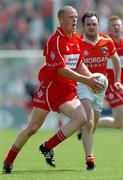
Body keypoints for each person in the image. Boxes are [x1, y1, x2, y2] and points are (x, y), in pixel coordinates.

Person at [3, 6, 103, 174]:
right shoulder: (55, 40)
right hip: (50, 90)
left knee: (82, 118)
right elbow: (61, 70)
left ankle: (47, 146)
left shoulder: (76, 40)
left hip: (67, 91)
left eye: (76, 17)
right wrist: (87, 81)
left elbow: (79, 64)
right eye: (71, 17)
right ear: (61, 20)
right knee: (32, 129)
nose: (75, 19)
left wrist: (92, 77)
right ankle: (8, 160)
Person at [76, 11, 122, 170]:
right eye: (88, 24)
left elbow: (116, 60)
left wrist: (117, 80)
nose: (91, 27)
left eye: (94, 24)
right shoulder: (77, 41)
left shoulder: (107, 42)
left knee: (96, 124)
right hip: (89, 84)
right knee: (89, 121)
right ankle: (90, 160)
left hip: (103, 87)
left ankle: (80, 126)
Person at [98, 15, 123, 128]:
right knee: (120, 110)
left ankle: (88, 124)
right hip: (111, 86)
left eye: (118, 25)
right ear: (109, 29)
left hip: (121, 85)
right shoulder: (105, 44)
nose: (116, 27)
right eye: (114, 25)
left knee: (119, 124)